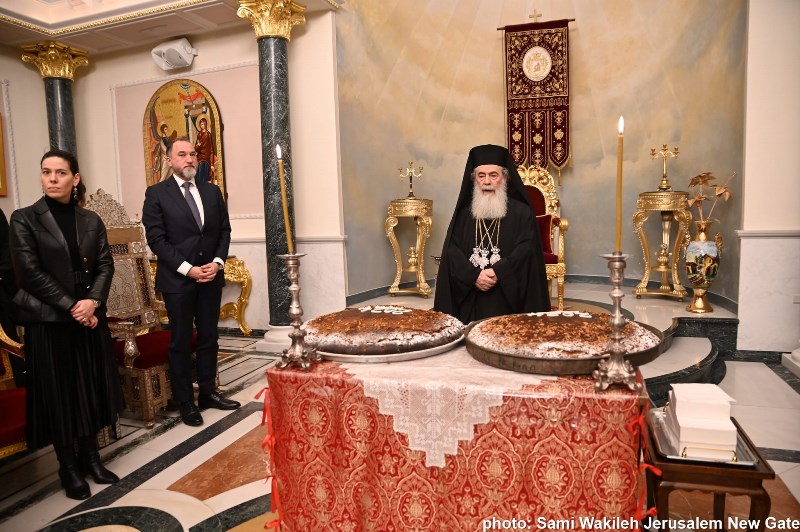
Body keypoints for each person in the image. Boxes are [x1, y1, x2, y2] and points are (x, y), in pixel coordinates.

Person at [9, 149, 124, 500]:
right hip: (50, 321)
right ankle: (68, 467)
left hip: (88, 318)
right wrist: (73, 305)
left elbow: (105, 265)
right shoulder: (24, 218)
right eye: (46, 172)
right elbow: (29, 273)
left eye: (60, 173)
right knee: (60, 396)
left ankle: (92, 457)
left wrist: (93, 302)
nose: (52, 178)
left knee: (88, 388)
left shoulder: (90, 219)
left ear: (75, 179)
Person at [141, 137, 238, 428]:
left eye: (192, 154)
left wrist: (217, 263)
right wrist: (188, 269)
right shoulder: (156, 194)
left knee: (209, 337)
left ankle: (208, 392)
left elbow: (224, 231)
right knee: (181, 341)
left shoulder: (211, 191)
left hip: (210, 277)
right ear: (169, 160)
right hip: (178, 281)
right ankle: (186, 402)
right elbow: (156, 239)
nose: (189, 159)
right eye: (182, 154)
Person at [433, 144, 550, 323]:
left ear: (504, 177)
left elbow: (527, 250)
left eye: (493, 175)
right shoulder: (465, 214)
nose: (487, 181)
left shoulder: (522, 212)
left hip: (509, 302)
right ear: (474, 179)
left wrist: (499, 272)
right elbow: (452, 251)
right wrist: (474, 276)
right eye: (481, 175)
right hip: (471, 296)